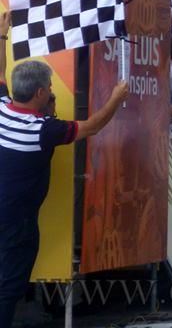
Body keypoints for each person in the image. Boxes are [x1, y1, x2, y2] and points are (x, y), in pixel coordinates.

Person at [0, 60, 129, 328]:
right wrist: (117, 98)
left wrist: (2, 39)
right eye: (49, 88)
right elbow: (92, 126)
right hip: (16, 223)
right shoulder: (43, 129)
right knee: (9, 287)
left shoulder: (2, 108)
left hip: (13, 217)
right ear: (39, 93)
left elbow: (0, 72)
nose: (50, 91)